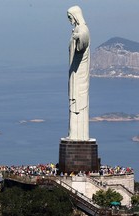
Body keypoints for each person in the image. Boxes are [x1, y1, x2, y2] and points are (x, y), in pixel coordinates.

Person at [67, 6, 90, 141]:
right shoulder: (78, 29)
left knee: (79, 105)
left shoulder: (82, 29)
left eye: (70, 17)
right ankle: (74, 134)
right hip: (75, 73)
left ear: (75, 15)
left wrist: (78, 37)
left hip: (79, 75)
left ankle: (79, 136)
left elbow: (82, 44)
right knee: (74, 105)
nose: (69, 20)